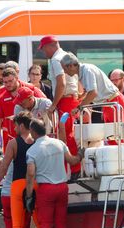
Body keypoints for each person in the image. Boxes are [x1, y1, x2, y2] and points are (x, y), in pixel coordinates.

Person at [25, 119, 82, 228]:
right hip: (62, 187)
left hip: (46, 190)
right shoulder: (59, 143)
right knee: (61, 224)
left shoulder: (32, 151)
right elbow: (73, 161)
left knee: (46, 225)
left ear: (33, 132)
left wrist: (29, 195)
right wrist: (81, 154)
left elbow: (31, 174)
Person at [0, 111, 37, 228]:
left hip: (12, 192)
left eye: (16, 125)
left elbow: (4, 167)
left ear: (22, 126)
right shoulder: (38, 142)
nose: (14, 128)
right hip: (30, 191)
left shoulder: (14, 143)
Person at [39, 36, 81, 175]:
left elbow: (61, 84)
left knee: (65, 135)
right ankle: (72, 169)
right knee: (67, 134)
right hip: (72, 99)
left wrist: (53, 105)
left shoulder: (57, 60)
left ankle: (71, 170)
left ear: (51, 46)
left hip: (65, 101)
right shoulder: (68, 55)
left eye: (44, 49)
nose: (44, 53)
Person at [59, 53, 124, 123]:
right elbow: (90, 91)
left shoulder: (87, 70)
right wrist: (82, 95)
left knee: (117, 132)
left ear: (71, 66)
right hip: (109, 102)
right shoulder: (83, 71)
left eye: (64, 68)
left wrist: (78, 108)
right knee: (112, 132)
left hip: (113, 101)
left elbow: (93, 93)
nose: (64, 72)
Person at [0, 68, 45, 153]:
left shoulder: (31, 90)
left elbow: (46, 107)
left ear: (17, 78)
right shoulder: (1, 98)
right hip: (12, 138)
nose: (8, 84)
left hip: (33, 137)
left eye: (10, 81)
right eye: (5, 82)